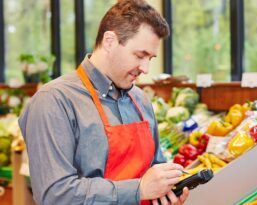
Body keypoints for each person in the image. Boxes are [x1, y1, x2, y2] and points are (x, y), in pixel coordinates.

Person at [18, 0, 189, 204]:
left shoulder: (140, 100)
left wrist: (166, 194)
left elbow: (155, 170)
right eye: (140, 55)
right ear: (109, 41)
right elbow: (55, 194)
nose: (145, 69)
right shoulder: (54, 101)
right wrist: (138, 189)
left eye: (150, 58)